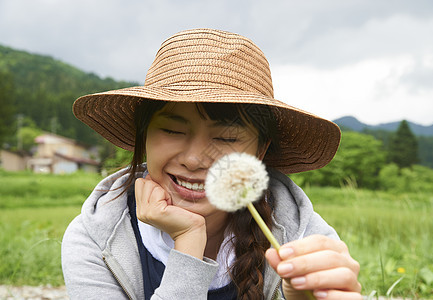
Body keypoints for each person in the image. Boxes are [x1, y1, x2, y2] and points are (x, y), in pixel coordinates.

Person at [62, 28, 362, 300]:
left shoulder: (300, 235)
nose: (193, 159)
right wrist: (189, 243)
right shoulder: (97, 238)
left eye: (227, 138)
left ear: (259, 152)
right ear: (144, 136)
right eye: (172, 130)